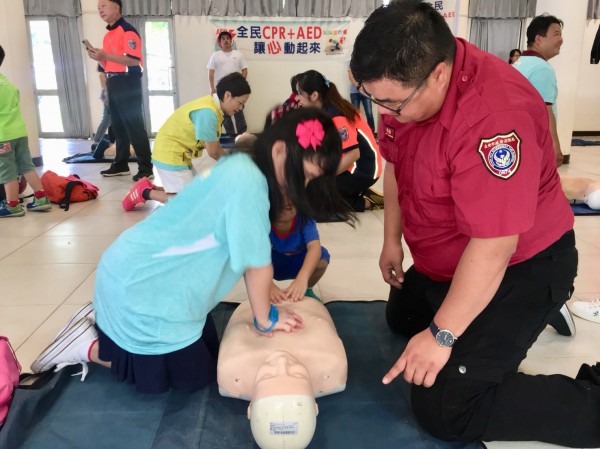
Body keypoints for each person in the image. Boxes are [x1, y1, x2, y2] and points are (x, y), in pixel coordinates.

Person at [350, 2, 599, 447]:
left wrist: (443, 335)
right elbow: (395, 164)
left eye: (392, 103)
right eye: (373, 100)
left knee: (447, 407)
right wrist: (391, 241)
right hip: (450, 254)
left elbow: (495, 245)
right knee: (403, 317)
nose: (384, 114)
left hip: (523, 263)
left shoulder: (494, 117)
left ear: (439, 75)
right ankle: (490, 325)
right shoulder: (406, 94)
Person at [29, 107, 353, 394]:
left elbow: (240, 246)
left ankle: (107, 321)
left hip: (156, 281)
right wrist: (266, 320)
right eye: (308, 176)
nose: (306, 186)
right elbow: (256, 263)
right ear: (281, 151)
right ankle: (87, 345)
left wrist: (267, 294)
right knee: (190, 380)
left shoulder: (244, 168)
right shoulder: (250, 184)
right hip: (143, 289)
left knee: (212, 358)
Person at [218, 298, 347, 449]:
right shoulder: (330, 361)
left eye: (267, 376)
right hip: (304, 302)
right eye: (297, 374)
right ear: (315, 407)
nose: (282, 362)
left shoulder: (232, 366)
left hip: (251, 304)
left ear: (250, 409)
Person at [121, 72, 251, 211]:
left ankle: (151, 187)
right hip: (170, 154)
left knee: (197, 193)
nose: (240, 108)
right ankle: (145, 192)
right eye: (240, 103)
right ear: (227, 95)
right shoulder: (208, 113)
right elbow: (213, 152)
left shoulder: (212, 106)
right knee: (190, 203)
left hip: (178, 154)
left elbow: (216, 147)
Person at [295, 70, 383, 212]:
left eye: (300, 93)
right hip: (348, 164)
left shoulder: (336, 116)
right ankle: (350, 192)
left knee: (318, 201)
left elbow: (353, 154)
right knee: (309, 188)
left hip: (363, 169)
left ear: (315, 95)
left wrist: (325, 176)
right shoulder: (323, 111)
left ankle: (366, 202)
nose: (297, 98)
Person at [86, 0, 154, 181]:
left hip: (128, 82)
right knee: (118, 127)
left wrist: (105, 55)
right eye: (98, 7)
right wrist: (99, 58)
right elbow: (109, 64)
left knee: (134, 127)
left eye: (104, 6)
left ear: (117, 8)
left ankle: (146, 168)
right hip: (114, 82)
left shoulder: (127, 30)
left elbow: (133, 60)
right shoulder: (108, 35)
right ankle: (121, 164)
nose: (100, 10)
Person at [0, 45, 52, 217]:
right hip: (19, 132)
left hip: (3, 135)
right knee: (27, 166)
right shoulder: (7, 83)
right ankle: (41, 198)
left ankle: (13, 205)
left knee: (7, 172)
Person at [513, 15, 564, 167]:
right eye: (556, 34)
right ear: (538, 39)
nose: (561, 39)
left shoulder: (519, 63)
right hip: (534, 141)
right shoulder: (542, 68)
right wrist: (555, 146)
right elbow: (545, 110)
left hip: (518, 138)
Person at [269, 199, 329, 303]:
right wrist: (267, 285)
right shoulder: (262, 219)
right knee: (251, 261)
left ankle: (307, 290)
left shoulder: (304, 216)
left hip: (298, 261)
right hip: (274, 263)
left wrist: (303, 277)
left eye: (287, 208)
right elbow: (251, 254)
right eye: (273, 208)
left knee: (321, 257)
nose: (279, 214)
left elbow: (314, 246)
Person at [207, 31, 248, 135]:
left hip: (236, 88)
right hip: (221, 88)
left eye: (227, 38)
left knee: (239, 111)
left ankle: (242, 135)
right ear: (220, 42)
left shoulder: (238, 54)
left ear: (231, 41)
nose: (225, 40)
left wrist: (240, 83)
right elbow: (211, 72)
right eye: (223, 39)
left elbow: (244, 70)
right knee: (225, 114)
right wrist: (212, 88)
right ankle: (230, 135)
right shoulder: (215, 55)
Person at [90, 68, 112, 156]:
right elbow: (104, 86)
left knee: (108, 120)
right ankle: (97, 140)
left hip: (109, 95)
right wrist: (106, 95)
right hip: (108, 95)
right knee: (106, 120)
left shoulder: (107, 73)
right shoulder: (102, 74)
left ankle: (98, 140)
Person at [348, 65, 375, 132]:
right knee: (355, 114)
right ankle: (356, 132)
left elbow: (370, 76)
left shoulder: (365, 62)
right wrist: (358, 87)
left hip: (366, 91)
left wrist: (365, 87)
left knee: (369, 113)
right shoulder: (351, 63)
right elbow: (351, 77)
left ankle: (372, 133)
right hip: (354, 92)